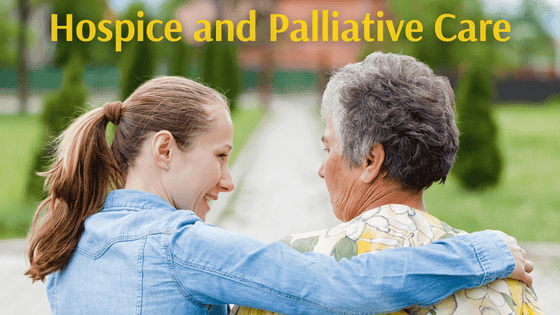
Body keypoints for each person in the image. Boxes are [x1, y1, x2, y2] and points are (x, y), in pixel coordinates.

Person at [25, 76, 532, 315]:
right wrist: (478, 252)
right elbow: (335, 286)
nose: (227, 180)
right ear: (164, 149)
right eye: (221, 156)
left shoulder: (68, 245)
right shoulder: (179, 247)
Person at [235, 52, 543, 315]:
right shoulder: (509, 279)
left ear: (370, 160)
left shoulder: (288, 269)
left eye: (328, 149)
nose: (321, 170)